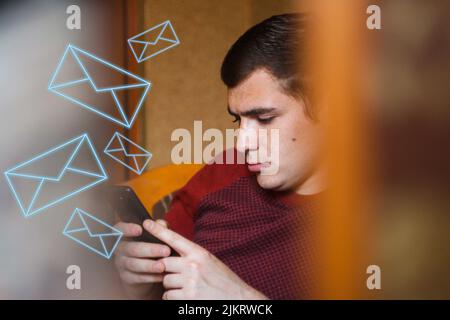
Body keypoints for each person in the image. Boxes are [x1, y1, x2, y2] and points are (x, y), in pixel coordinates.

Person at [114, 13, 327, 300]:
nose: (242, 143)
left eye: (264, 118)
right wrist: (139, 285)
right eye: (238, 121)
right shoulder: (221, 176)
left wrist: (241, 300)